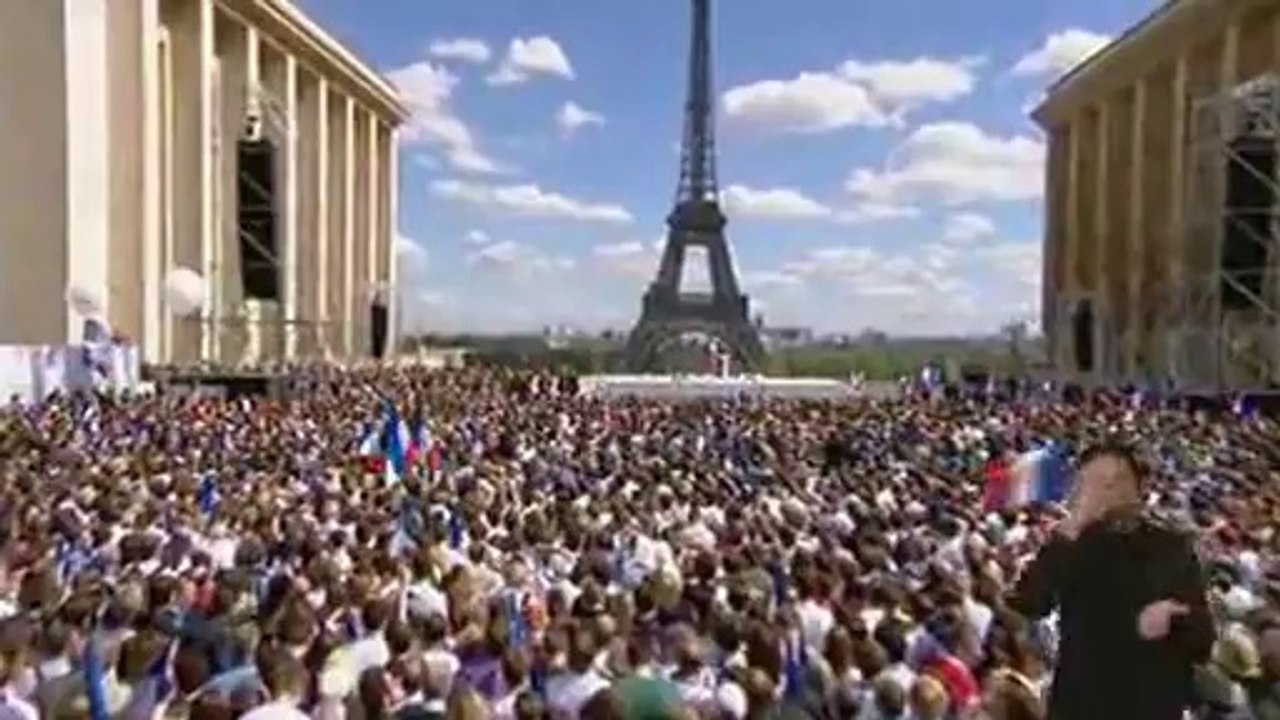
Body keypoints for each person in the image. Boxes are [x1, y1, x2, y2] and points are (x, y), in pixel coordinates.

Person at [1010, 442, 1216, 720]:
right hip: (1081, 706)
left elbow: (1203, 643)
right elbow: (1028, 603)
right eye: (1092, 483)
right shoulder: (1073, 544)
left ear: (1140, 487)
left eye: (1114, 481)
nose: (1105, 493)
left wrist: (1175, 617)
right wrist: (1071, 526)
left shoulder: (1173, 548)